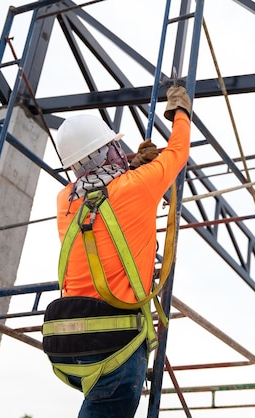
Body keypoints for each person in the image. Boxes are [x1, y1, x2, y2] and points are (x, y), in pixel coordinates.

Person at [41, 86, 191, 418]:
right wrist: (181, 112)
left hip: (68, 346)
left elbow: (102, 185)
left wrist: (133, 166)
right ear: (108, 150)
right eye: (115, 147)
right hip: (116, 345)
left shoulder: (64, 201)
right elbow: (178, 150)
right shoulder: (138, 186)